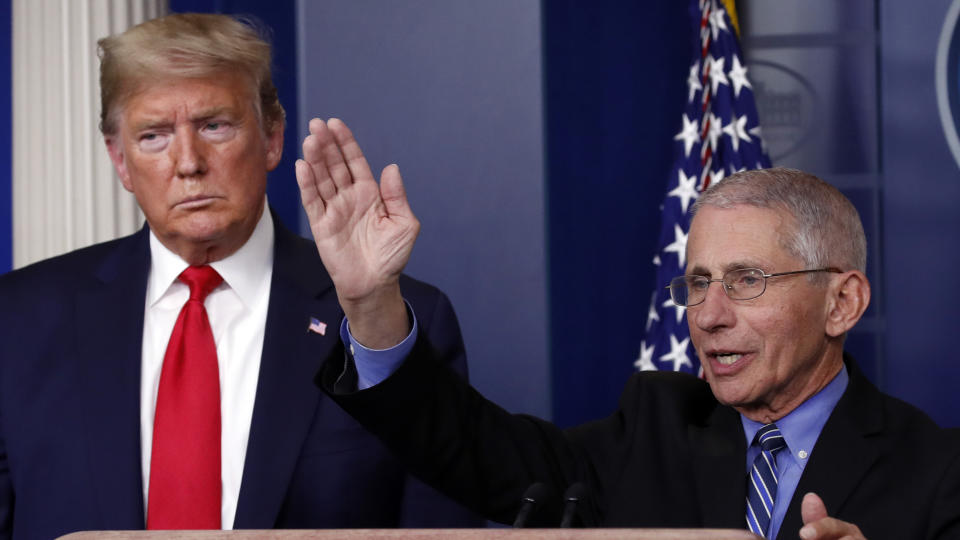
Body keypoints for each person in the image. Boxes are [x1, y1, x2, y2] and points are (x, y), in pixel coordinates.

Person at [293, 132, 960, 540]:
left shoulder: (938, 474)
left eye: (747, 280)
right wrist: (371, 301)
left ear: (842, 302)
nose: (709, 314)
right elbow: (473, 449)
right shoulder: (656, 427)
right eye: (697, 282)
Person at [0, 13, 479, 539]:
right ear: (120, 161)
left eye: (214, 125)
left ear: (272, 137)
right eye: (154, 136)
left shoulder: (392, 317)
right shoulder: (18, 320)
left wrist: (370, 308)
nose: (188, 163)